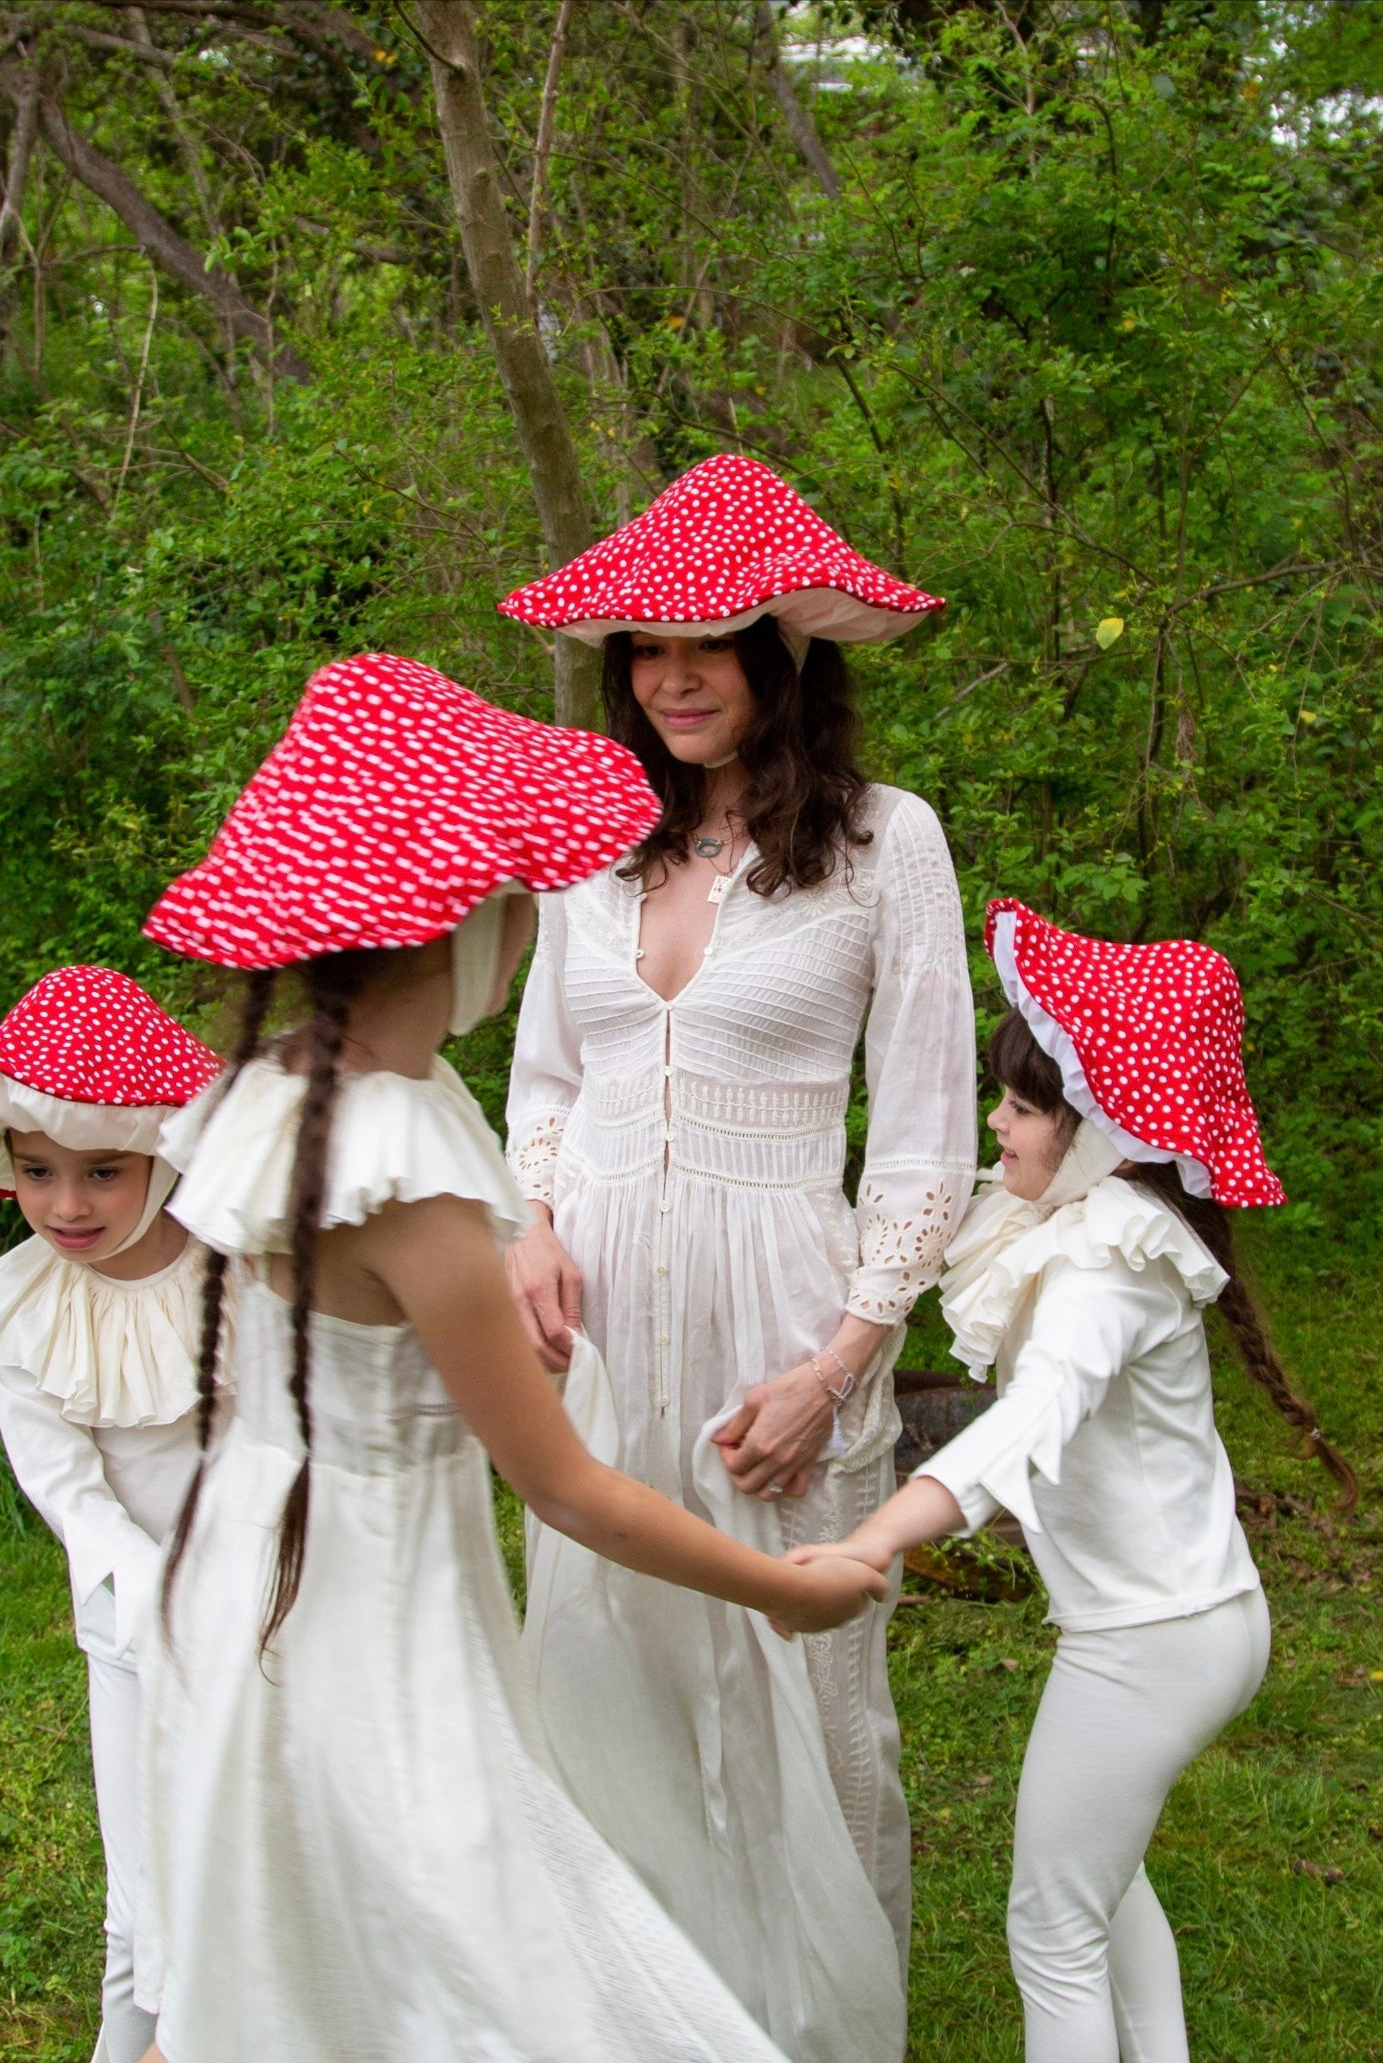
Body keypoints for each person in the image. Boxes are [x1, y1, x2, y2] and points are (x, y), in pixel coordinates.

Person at [129, 653, 886, 2063]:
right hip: (371, 1609)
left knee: (284, 1928)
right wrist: (784, 1585)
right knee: (491, 1954)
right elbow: (567, 1486)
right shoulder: (410, 1177)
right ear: (467, 924)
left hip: (244, 1568)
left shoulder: (262, 1097)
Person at [498, 452, 976, 2051]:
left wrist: (847, 1358)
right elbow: (549, 1078)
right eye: (646, 643)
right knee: (606, 1657)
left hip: (789, 1301)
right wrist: (532, 1225)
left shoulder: (883, 841)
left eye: (710, 640)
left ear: (786, 655)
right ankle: (641, 2013)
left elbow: (921, 1133)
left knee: (813, 1686)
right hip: (602, 1315)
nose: (673, 673)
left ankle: (829, 2022)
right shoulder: (590, 842)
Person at [790, 898, 1357, 2063]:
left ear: (1099, 1124)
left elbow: (1026, 1427)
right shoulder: (1100, 1220)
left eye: (1022, 1104)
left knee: (1051, 1927)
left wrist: (872, 1540)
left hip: (1147, 1640)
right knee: (1105, 1882)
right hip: (1195, 1618)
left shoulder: (1103, 1266)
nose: (996, 1123)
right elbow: (947, 1197)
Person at [0, 965, 224, 2063]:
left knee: (247, 1874)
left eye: (102, 1172)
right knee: (141, 1904)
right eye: (36, 1170)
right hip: (129, 1625)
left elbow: (280, 1441)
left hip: (263, 1610)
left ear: (164, 1152)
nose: (67, 1204)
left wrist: (239, 1578)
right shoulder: (19, 1308)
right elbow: (68, 1487)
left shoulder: (241, 1277)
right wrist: (149, 1590)